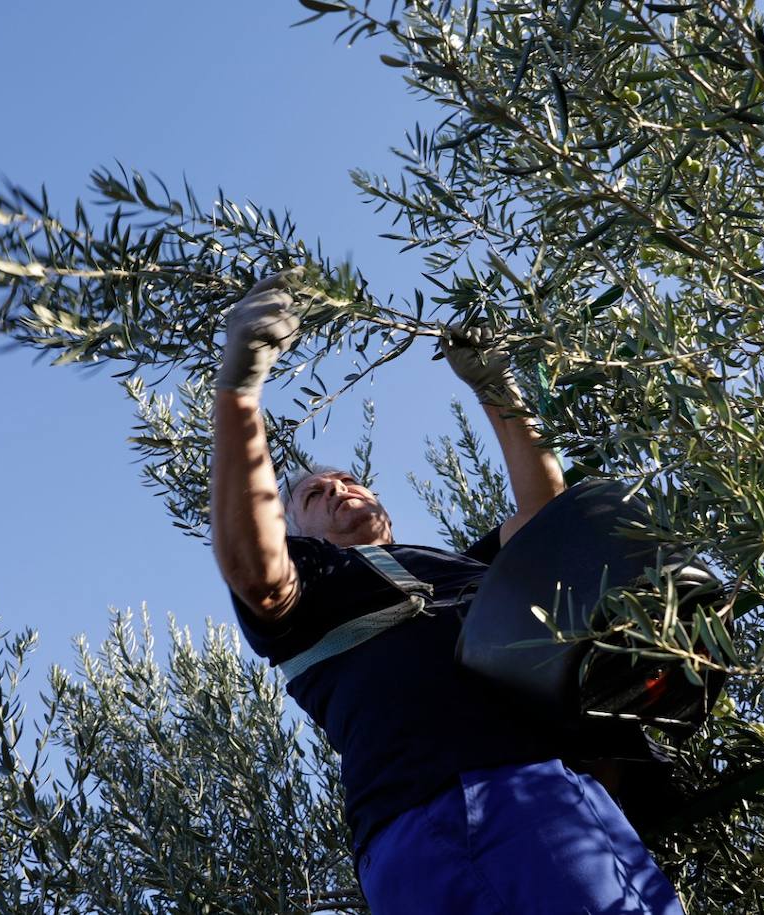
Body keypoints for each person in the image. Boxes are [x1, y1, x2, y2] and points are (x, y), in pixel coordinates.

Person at [210, 269, 685, 914]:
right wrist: (240, 392)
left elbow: (547, 517)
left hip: (552, 799)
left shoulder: (464, 570)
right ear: (298, 532)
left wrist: (497, 388)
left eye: (349, 481)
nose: (338, 490)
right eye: (314, 496)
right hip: (434, 815)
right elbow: (256, 571)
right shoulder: (314, 581)